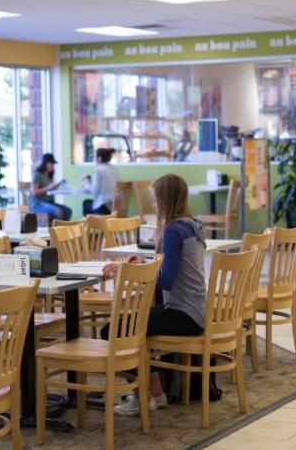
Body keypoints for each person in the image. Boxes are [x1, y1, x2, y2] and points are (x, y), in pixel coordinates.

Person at [101, 173, 206, 416]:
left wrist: (130, 270)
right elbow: (175, 267)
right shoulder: (192, 224)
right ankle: (156, 393)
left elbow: (166, 281)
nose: (154, 205)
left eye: (156, 200)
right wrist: (144, 263)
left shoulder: (172, 231)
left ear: (165, 200)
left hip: (183, 313)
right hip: (196, 309)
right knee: (134, 324)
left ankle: (143, 396)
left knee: (114, 330)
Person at [30, 153, 72, 221]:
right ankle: (57, 229)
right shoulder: (37, 175)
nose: (53, 166)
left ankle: (61, 228)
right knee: (58, 211)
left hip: (49, 203)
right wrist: (49, 188)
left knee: (68, 211)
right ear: (45, 163)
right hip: (38, 204)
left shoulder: (49, 176)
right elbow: (34, 192)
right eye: (51, 164)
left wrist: (55, 187)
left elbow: (49, 190)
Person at [82, 148, 119, 216]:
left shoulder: (98, 170)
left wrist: (85, 182)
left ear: (99, 158)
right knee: (88, 203)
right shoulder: (115, 168)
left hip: (103, 207)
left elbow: (94, 191)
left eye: (94, 157)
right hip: (115, 206)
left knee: (85, 203)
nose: (94, 159)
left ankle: (88, 226)